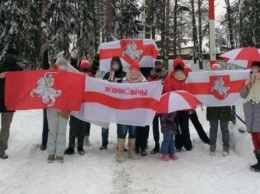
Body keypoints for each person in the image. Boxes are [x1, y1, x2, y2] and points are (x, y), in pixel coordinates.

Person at [117, 61, 146, 162]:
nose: (133, 71)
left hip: (136, 111)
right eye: (131, 69)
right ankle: (120, 153)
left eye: (135, 69)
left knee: (133, 132)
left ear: (138, 70)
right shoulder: (124, 81)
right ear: (129, 70)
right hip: (124, 111)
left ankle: (131, 151)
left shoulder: (143, 82)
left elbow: (148, 94)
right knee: (122, 131)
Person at [65, 58, 93, 156]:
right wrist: (73, 58)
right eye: (82, 70)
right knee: (73, 126)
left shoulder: (91, 79)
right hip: (75, 105)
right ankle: (71, 146)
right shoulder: (75, 76)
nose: (84, 72)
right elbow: (71, 68)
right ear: (79, 69)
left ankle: (80, 146)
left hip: (85, 106)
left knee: (82, 127)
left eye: (86, 70)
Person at [164, 58, 192, 151]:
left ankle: (184, 144)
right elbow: (168, 90)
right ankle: (181, 144)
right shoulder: (172, 78)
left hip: (182, 106)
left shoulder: (187, 77)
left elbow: (190, 91)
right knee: (179, 126)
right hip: (178, 106)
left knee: (182, 126)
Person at [0, 48, 23, 159]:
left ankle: (1, 150)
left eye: (13, 55)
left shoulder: (19, 69)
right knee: (5, 128)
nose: (11, 57)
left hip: (9, 103)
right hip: (3, 100)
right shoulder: (0, 66)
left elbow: (23, 85)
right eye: (9, 55)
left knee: (5, 128)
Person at [46, 57, 70, 163]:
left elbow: (73, 92)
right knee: (52, 131)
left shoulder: (70, 77)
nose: (62, 66)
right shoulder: (51, 75)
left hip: (64, 108)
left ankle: (60, 154)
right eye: (60, 64)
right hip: (52, 107)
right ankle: (51, 153)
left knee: (61, 131)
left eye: (64, 64)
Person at [100, 56, 126, 150]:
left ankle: (120, 143)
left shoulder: (124, 75)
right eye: (113, 63)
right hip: (108, 103)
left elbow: (128, 87)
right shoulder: (108, 75)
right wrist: (108, 82)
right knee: (105, 124)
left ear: (120, 64)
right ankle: (104, 143)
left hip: (120, 104)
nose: (115, 65)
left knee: (121, 125)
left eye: (117, 63)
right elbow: (101, 87)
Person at [207, 63, 232, 156]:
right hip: (212, 109)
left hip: (224, 108)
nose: (215, 72)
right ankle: (212, 146)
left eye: (217, 69)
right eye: (214, 70)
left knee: (224, 128)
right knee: (213, 129)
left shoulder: (225, 79)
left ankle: (226, 146)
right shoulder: (208, 80)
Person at [240, 61, 260, 172]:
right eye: (253, 66)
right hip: (250, 110)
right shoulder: (249, 79)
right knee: (254, 137)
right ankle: (259, 162)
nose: (254, 68)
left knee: (259, 136)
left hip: (258, 108)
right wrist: (247, 87)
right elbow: (242, 95)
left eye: (256, 66)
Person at [147, 61, 168, 154]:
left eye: (159, 65)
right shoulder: (150, 76)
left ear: (162, 66)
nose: (158, 66)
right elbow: (148, 88)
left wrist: (163, 85)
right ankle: (156, 144)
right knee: (155, 127)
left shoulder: (166, 76)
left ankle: (165, 144)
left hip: (163, 104)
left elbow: (168, 88)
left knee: (164, 126)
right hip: (154, 105)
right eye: (157, 65)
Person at [40, 41, 52, 151]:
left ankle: (54, 142)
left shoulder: (61, 73)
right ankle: (44, 142)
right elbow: (44, 66)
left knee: (55, 125)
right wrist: (46, 52)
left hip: (57, 101)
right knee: (46, 122)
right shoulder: (48, 72)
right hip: (47, 100)